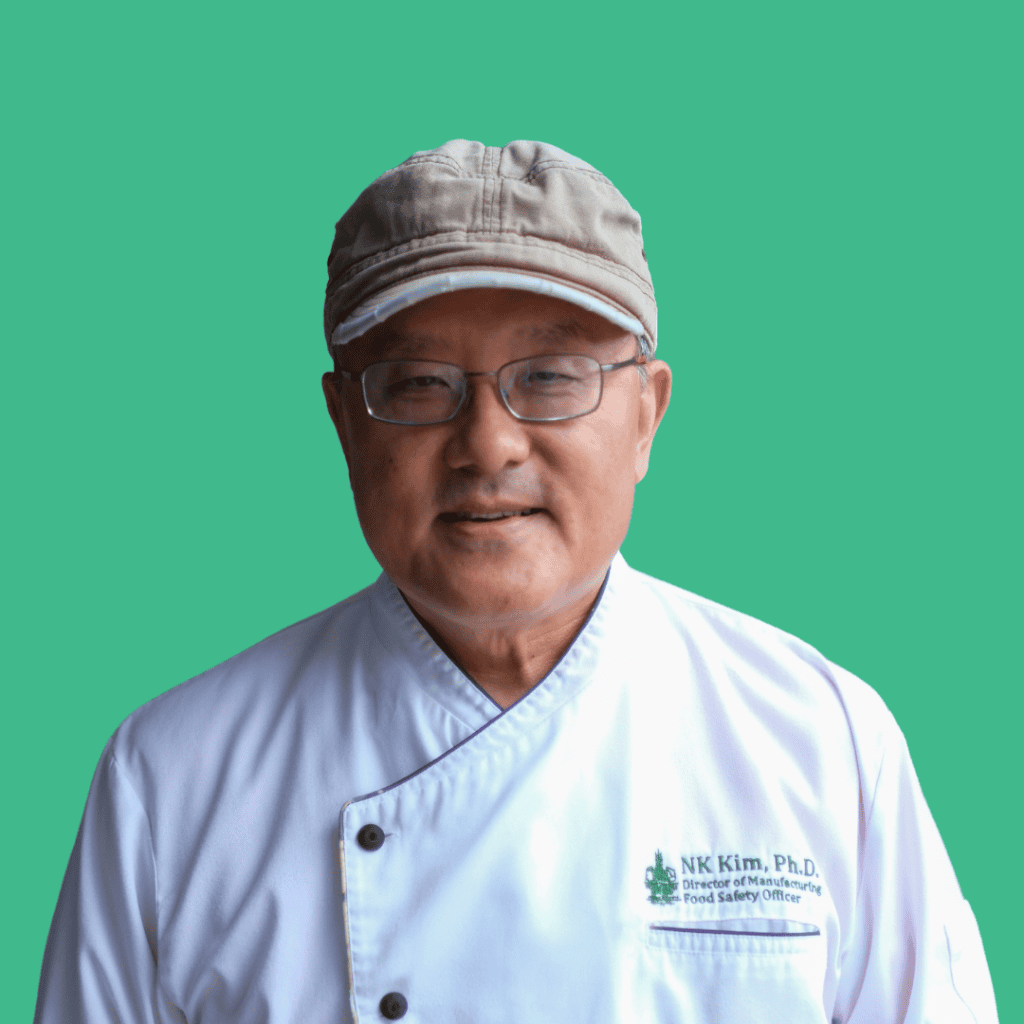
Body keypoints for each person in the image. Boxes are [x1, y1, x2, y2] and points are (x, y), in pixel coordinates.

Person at [35, 139, 998, 1023]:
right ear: (344, 421)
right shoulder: (172, 779)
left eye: (551, 376)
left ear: (647, 414)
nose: (488, 444)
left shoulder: (824, 744)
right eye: (419, 383)